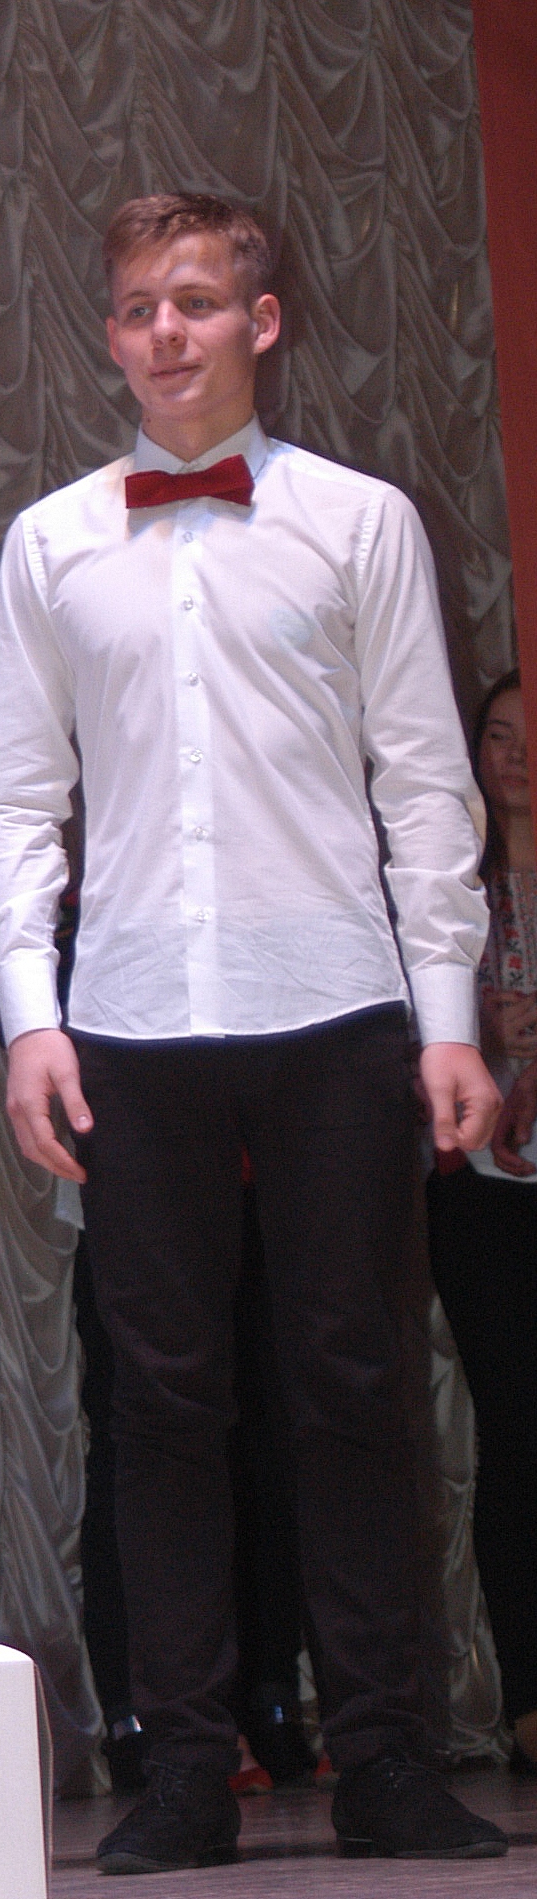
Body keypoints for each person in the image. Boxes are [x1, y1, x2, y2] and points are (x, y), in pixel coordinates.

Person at [0, 190, 507, 1871]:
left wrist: (445, 1018)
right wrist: (31, 1018)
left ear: (259, 321)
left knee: (351, 1382)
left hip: (335, 1006)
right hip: (131, 1019)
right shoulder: (50, 542)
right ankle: (184, 1771)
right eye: (137, 306)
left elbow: (424, 783)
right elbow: (14, 804)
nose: (164, 333)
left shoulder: (358, 522)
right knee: (159, 1400)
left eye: (195, 301)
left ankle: (389, 1761)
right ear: (108, 330)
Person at [427, 669, 537, 1772]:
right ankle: (530, 1696)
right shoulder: (449, 879)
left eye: (529, 734)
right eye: (498, 734)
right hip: (480, 1192)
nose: (515, 755)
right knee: (518, 1426)